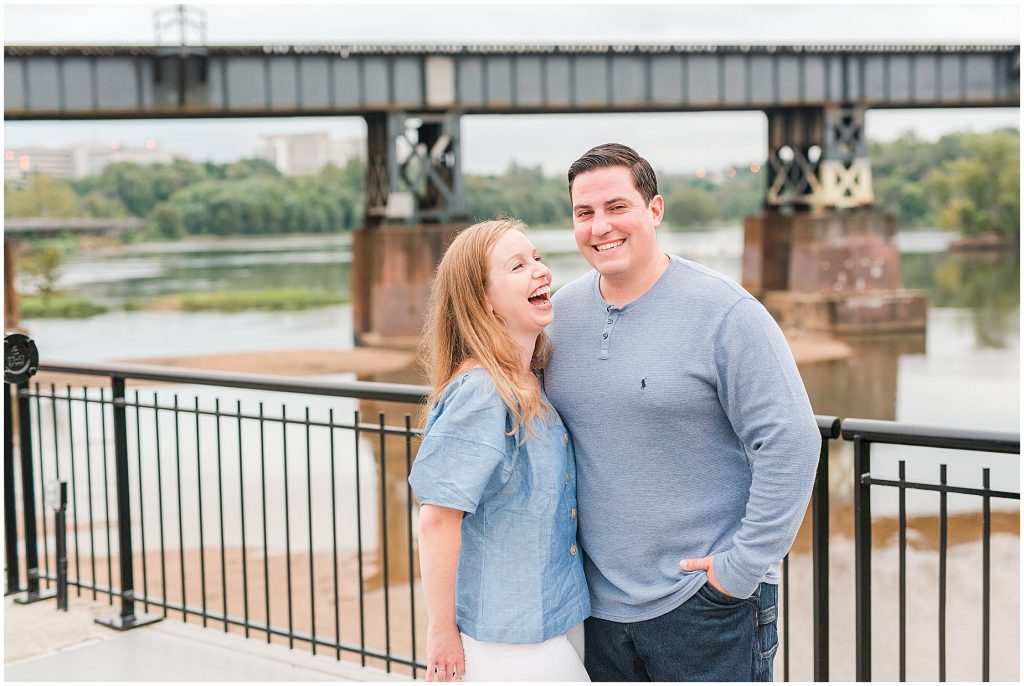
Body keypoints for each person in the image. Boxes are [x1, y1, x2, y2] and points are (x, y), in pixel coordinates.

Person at [544, 144, 821, 682]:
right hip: (596, 609)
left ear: (655, 209)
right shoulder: (560, 315)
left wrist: (738, 571)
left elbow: (790, 441)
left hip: (703, 606)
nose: (600, 226)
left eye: (617, 207)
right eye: (585, 213)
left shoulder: (726, 312)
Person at [408, 218, 591, 682]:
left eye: (537, 258)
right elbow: (437, 518)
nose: (540, 270)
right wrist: (441, 630)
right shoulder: (482, 393)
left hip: (555, 616)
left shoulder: (531, 379)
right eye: (517, 265)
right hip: (508, 642)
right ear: (484, 300)